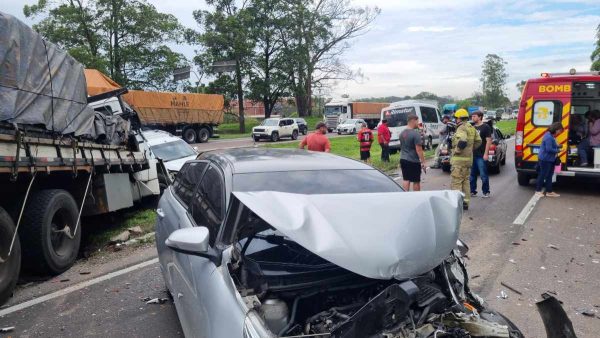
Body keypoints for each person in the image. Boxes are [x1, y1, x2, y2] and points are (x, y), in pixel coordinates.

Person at [450, 109, 481, 210]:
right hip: (468, 160)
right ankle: (465, 203)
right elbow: (478, 141)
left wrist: (457, 151)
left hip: (459, 161)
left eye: (456, 118)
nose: (455, 120)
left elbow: (462, 141)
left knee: (457, 182)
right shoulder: (471, 127)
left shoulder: (461, 128)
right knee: (466, 182)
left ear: (459, 118)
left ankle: (458, 205)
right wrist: (470, 149)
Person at [536, 122, 564, 197]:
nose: (560, 132)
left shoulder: (550, 136)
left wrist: (558, 146)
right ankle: (538, 191)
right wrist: (558, 150)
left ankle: (549, 191)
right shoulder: (548, 137)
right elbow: (549, 149)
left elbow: (551, 146)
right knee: (543, 174)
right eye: (560, 131)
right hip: (545, 159)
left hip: (550, 159)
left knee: (549, 175)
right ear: (556, 129)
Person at [399, 114, 426, 191]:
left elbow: (402, 147)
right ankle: (416, 197)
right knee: (416, 181)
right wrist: (423, 162)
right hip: (413, 160)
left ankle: (405, 196)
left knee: (406, 179)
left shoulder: (402, 133)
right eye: (417, 121)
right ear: (413, 121)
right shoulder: (415, 134)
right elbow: (419, 150)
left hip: (403, 159)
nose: (418, 123)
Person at [470, 111, 493, 198]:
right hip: (472, 155)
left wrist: (486, 154)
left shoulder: (486, 127)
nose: (472, 118)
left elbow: (489, 141)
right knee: (472, 175)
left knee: (483, 175)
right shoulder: (472, 127)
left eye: (474, 116)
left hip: (481, 155)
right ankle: (472, 191)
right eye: (472, 116)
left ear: (480, 117)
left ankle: (486, 192)